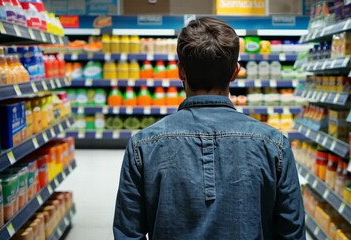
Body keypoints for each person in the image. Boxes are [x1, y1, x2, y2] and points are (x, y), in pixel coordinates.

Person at [113, 17, 305, 240]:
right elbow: (292, 233)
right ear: (235, 72)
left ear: (180, 71)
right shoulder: (274, 144)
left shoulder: (142, 145)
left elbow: (128, 233)